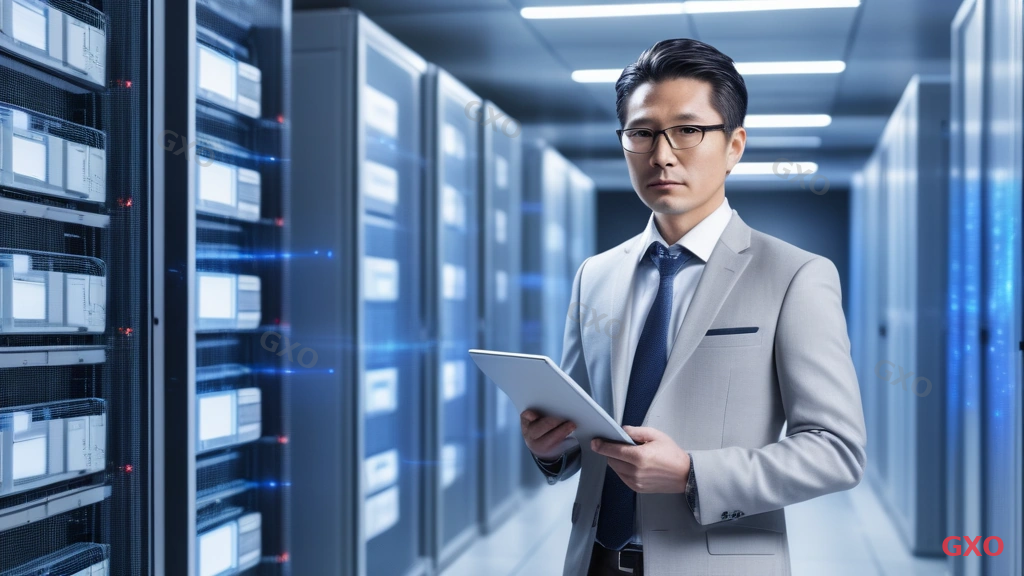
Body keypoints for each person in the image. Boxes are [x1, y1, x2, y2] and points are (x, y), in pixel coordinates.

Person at [519, 38, 867, 576]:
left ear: (734, 146)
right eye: (642, 133)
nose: (661, 153)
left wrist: (689, 472)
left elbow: (835, 451)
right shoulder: (597, 274)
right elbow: (584, 423)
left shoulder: (795, 275)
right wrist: (551, 447)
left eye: (688, 130)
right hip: (593, 560)